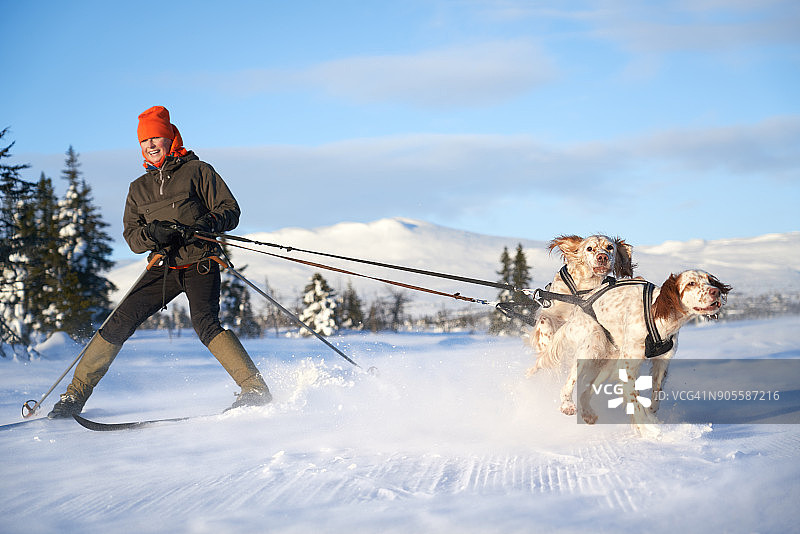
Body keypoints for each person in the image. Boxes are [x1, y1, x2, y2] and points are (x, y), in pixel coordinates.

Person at [48, 106, 271, 418]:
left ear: (170, 139)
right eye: (144, 141)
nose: (150, 145)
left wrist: (205, 223)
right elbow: (132, 238)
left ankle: (255, 390)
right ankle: (73, 397)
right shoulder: (138, 188)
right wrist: (152, 234)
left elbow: (230, 209)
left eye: (155, 138)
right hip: (162, 266)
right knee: (117, 323)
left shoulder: (198, 171)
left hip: (200, 262)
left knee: (205, 323)